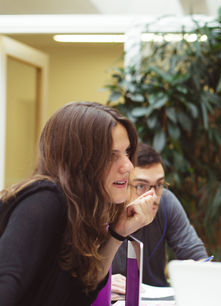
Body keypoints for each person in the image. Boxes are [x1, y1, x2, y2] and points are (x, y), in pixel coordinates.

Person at [0, 102, 156, 305]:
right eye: (111, 155)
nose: (128, 166)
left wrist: (118, 234)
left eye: (127, 152)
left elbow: (82, 294)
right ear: (78, 160)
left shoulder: (80, 212)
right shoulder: (45, 199)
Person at [111, 143, 208, 294]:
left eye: (159, 185)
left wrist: (197, 268)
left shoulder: (166, 202)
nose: (154, 196)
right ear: (122, 184)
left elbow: (197, 256)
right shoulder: (101, 211)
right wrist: (102, 283)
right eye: (141, 186)